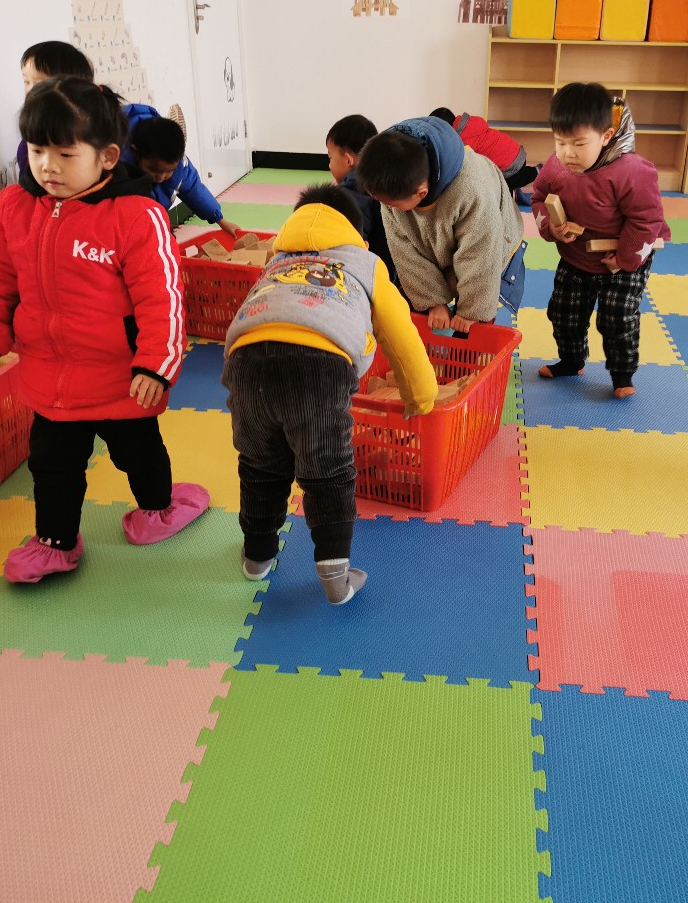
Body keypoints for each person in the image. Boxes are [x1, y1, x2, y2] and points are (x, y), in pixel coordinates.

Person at [0, 77, 209, 584]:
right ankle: (55, 542)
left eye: (65, 154)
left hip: (121, 379)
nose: (47, 166)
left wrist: (156, 365)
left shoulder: (137, 215)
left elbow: (162, 297)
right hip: (49, 379)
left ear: (107, 156)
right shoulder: (14, 208)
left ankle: (159, 508)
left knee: (139, 454)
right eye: (37, 151)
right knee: (51, 466)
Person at [222, 184, 438, 604]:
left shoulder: (276, 260)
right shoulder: (366, 263)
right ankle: (336, 578)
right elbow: (402, 336)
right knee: (327, 472)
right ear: (356, 233)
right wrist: (421, 397)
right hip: (317, 364)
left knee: (260, 465)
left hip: (245, 360)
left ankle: (256, 557)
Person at [531, 83, 669, 399]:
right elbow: (539, 198)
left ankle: (622, 375)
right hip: (577, 255)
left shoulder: (632, 171)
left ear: (606, 136)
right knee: (564, 312)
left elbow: (646, 220)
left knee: (617, 318)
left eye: (579, 143)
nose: (568, 152)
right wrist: (552, 227)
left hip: (622, 259)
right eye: (560, 142)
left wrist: (625, 259)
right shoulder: (556, 166)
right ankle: (571, 361)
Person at [355, 115, 526, 333]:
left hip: (492, 243)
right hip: (439, 240)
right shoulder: (391, 189)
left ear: (421, 193)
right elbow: (405, 252)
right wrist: (433, 301)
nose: (387, 208)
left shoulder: (472, 189)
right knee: (413, 310)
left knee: (474, 325)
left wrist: (471, 312)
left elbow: (481, 255)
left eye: (392, 205)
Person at [122, 106, 241, 236]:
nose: (161, 178)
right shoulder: (120, 167)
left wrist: (221, 221)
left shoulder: (180, 166)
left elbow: (194, 190)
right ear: (135, 152)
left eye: (169, 171)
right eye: (154, 170)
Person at [326, 114, 397, 285]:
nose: (329, 165)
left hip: (372, 277)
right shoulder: (384, 181)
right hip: (394, 270)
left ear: (348, 159)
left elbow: (352, 245)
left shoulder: (350, 193)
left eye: (330, 158)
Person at [15, 41, 94, 178]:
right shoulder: (27, 146)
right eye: (26, 82)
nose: (30, 91)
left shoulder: (90, 133)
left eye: (40, 84)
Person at [430, 106, 539, 195]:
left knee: (502, 187)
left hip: (511, 166)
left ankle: (537, 171)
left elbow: (461, 168)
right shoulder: (470, 125)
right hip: (516, 151)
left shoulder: (462, 142)